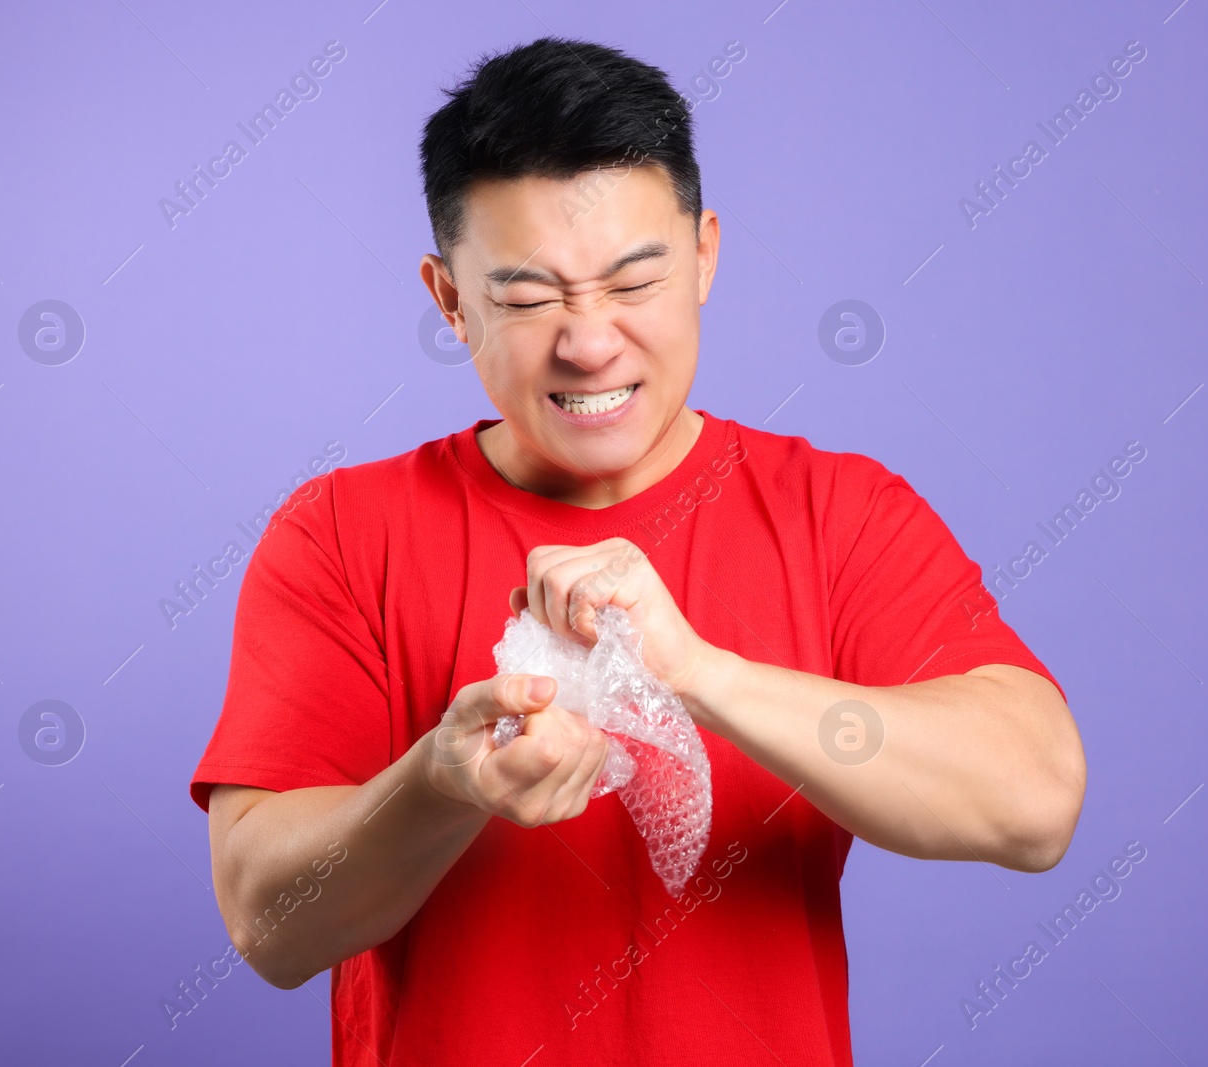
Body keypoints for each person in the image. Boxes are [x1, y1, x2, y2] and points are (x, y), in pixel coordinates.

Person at [190, 36, 1085, 1067]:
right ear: (449, 299)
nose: (588, 341)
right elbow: (269, 923)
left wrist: (694, 671)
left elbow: (1034, 801)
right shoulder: (341, 533)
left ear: (704, 254)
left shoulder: (836, 512)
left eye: (633, 281)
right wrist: (440, 782)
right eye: (526, 298)